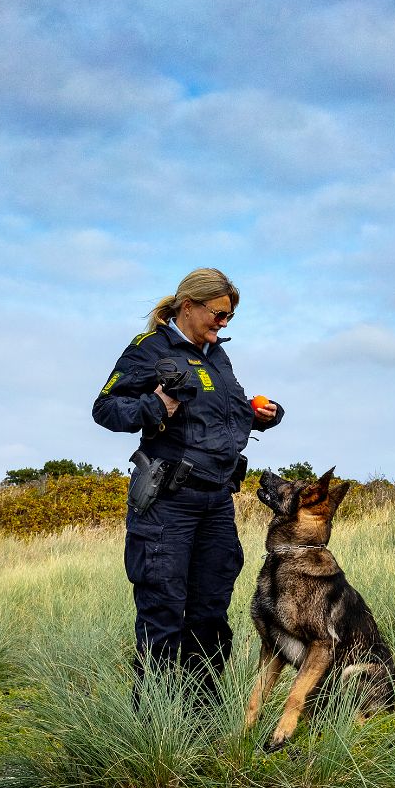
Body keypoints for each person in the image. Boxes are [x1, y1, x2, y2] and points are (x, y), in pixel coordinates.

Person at [92, 268, 283, 707]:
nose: (223, 323)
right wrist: (154, 404)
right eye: (219, 314)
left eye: (230, 318)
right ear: (189, 306)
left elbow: (226, 411)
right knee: (163, 611)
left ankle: (202, 722)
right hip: (167, 503)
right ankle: (156, 727)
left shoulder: (217, 356)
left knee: (211, 614)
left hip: (216, 502)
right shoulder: (149, 350)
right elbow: (105, 409)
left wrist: (263, 415)